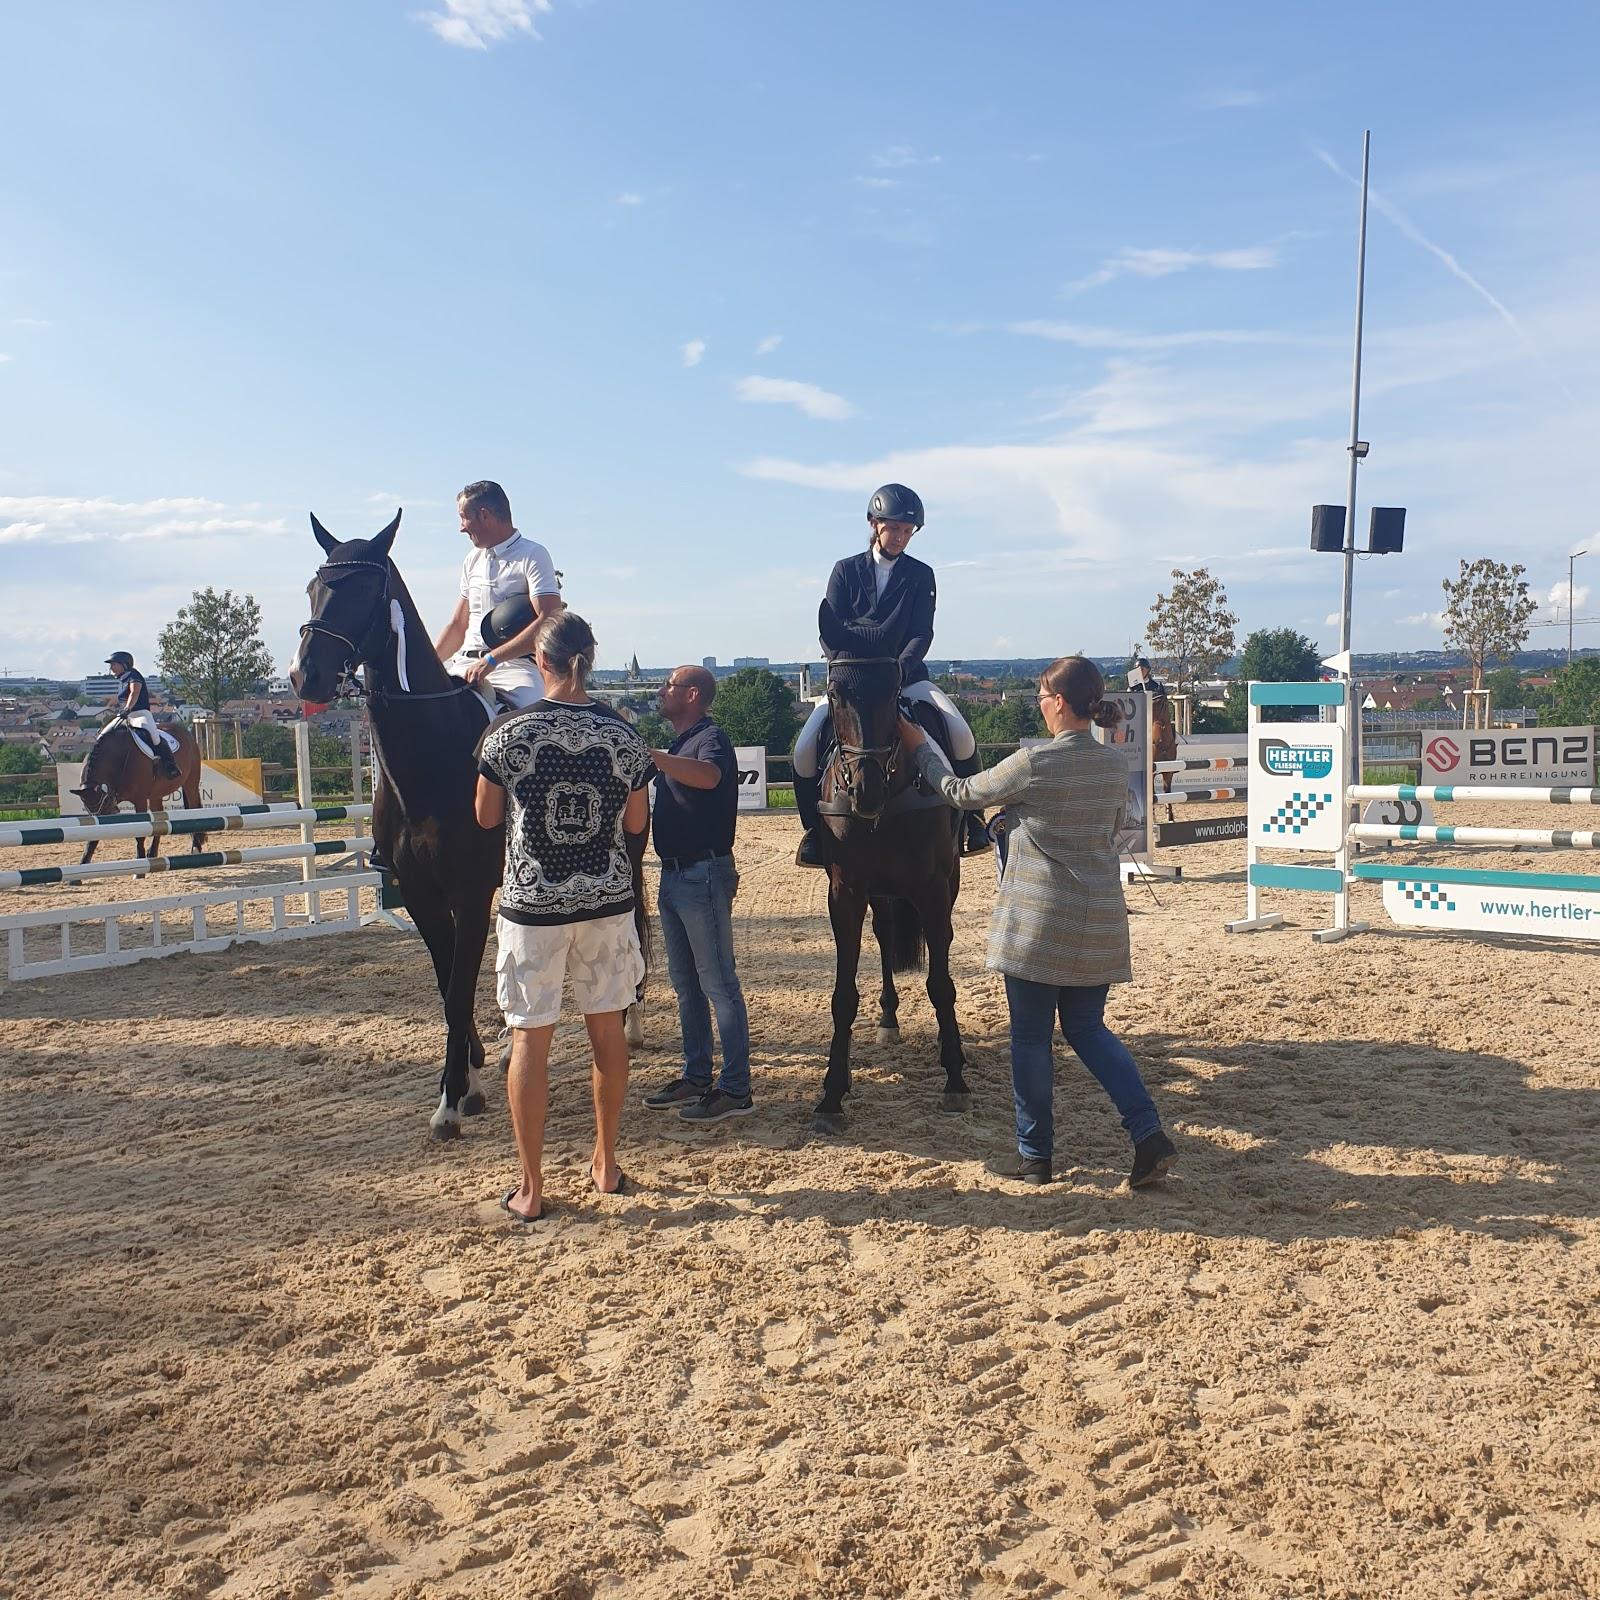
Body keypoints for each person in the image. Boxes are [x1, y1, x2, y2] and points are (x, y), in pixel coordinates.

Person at [898, 655, 1178, 1190]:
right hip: (1097, 920)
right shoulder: (1112, 765)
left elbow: (962, 793)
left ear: (1060, 703)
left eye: (1043, 697)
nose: (1040, 704)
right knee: (1088, 1030)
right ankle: (1147, 1134)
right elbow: (1111, 827)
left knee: (1029, 1039)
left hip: (1039, 922)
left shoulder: (1034, 762)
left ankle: (1036, 1156)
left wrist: (922, 750)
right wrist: (1018, 822)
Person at [474, 611, 653, 1221]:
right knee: (606, 1033)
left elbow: (486, 818)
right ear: (590, 659)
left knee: (531, 1038)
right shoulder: (623, 735)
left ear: (541, 662)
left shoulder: (506, 734)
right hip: (604, 901)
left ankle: (531, 1187)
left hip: (533, 905)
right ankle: (605, 1164)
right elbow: (635, 825)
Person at [791, 483, 988, 867]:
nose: (899, 537)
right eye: (892, 528)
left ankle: (972, 822)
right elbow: (830, 629)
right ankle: (814, 832)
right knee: (805, 747)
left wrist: (900, 668)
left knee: (961, 734)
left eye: (906, 530)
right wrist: (846, 670)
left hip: (906, 675)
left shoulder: (921, 575)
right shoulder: (845, 570)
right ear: (874, 524)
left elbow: (921, 633)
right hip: (853, 681)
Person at [637, 666, 755, 1124]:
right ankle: (697, 1074)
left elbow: (708, 778)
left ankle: (736, 1088)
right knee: (687, 984)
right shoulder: (684, 743)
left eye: (667, 685)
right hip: (675, 875)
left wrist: (655, 756)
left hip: (701, 874)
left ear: (691, 695)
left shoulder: (711, 738)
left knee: (719, 984)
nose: (661, 691)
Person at [434, 480, 562, 710]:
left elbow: (549, 620)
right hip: (463, 664)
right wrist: (428, 664)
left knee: (534, 717)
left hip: (515, 670)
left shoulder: (533, 555)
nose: (461, 527)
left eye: (464, 517)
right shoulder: (472, 560)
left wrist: (492, 659)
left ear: (484, 515)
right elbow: (457, 625)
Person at [100, 651, 180, 778]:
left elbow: (134, 693)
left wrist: (127, 708)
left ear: (124, 664)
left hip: (140, 714)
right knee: (103, 735)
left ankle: (170, 765)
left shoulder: (133, 675)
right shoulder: (121, 680)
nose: (111, 668)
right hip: (126, 716)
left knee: (153, 735)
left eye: (114, 664)